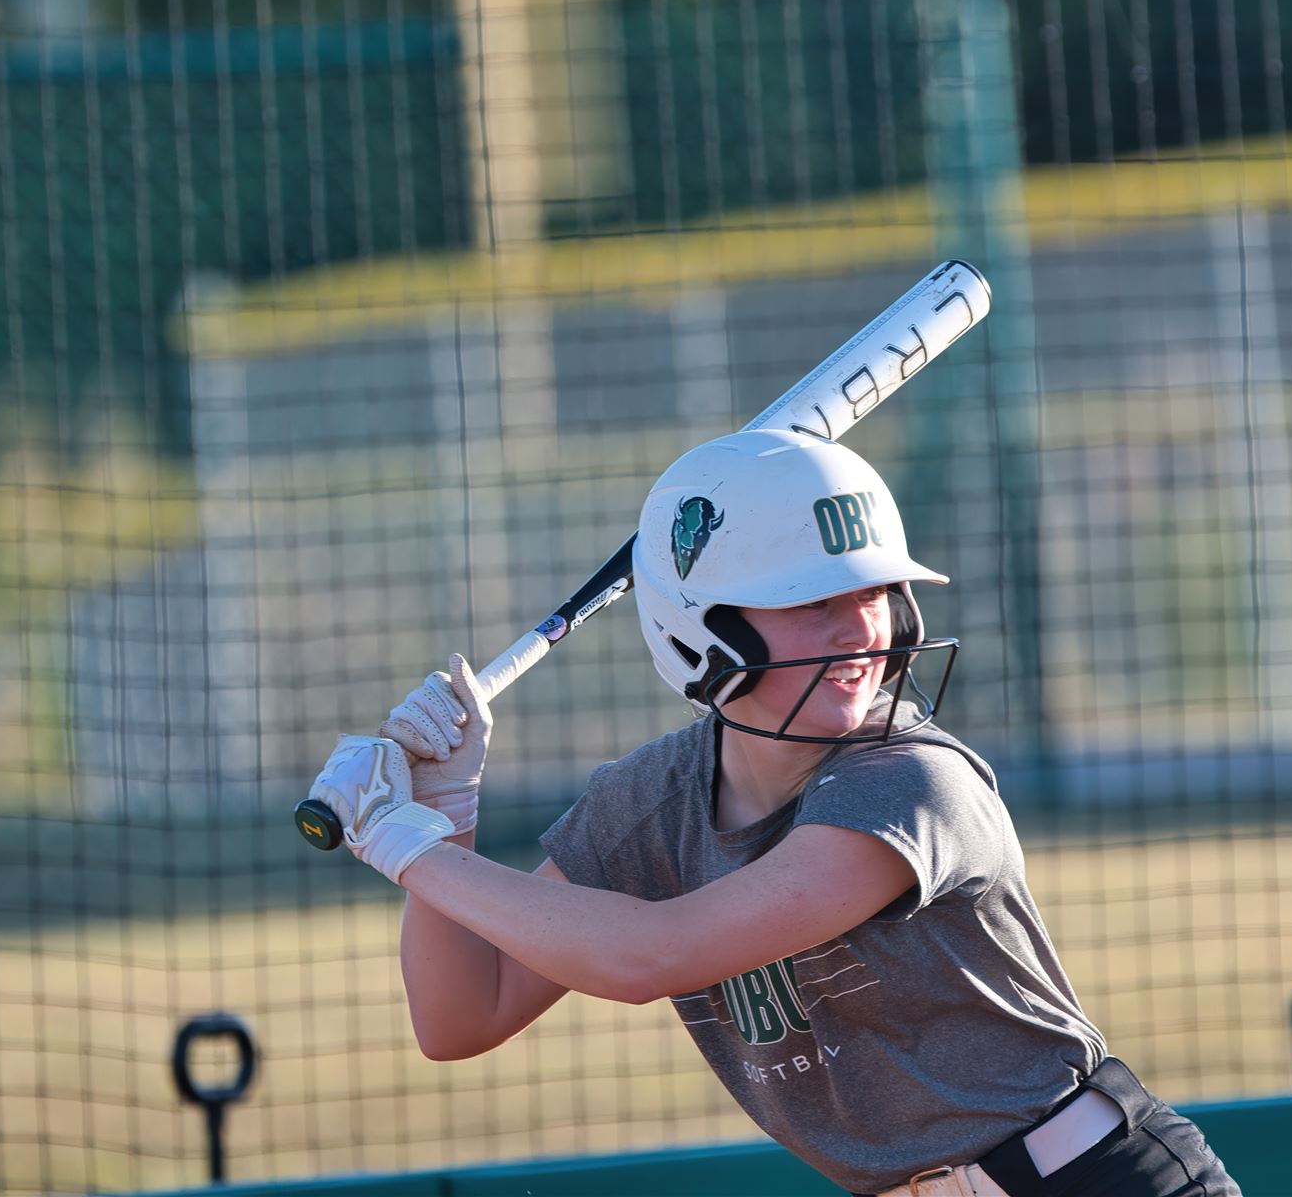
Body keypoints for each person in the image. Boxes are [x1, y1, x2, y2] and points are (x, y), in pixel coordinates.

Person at [307, 429, 1239, 1197]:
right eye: (808, 599)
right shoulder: (650, 803)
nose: (860, 628)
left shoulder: (912, 783)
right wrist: (446, 809)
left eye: (873, 591)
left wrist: (403, 843)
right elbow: (460, 1017)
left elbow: (649, 955)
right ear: (703, 630)